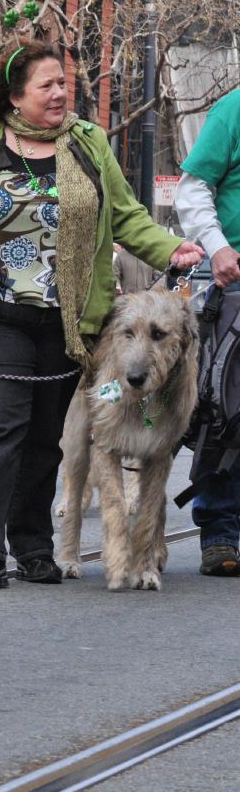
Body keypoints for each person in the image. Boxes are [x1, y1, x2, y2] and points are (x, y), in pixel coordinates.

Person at [0, 38, 202, 592]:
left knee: (45, 438)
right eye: (48, 85)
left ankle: (34, 547)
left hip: (71, 321)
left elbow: (125, 214)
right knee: (0, 427)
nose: (62, 92)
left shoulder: (86, 144)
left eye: (64, 83)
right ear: (15, 97)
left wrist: (170, 250)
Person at [173, 86, 240, 577]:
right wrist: (216, 248)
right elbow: (193, 189)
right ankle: (219, 530)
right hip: (237, 284)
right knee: (228, 413)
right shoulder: (233, 108)